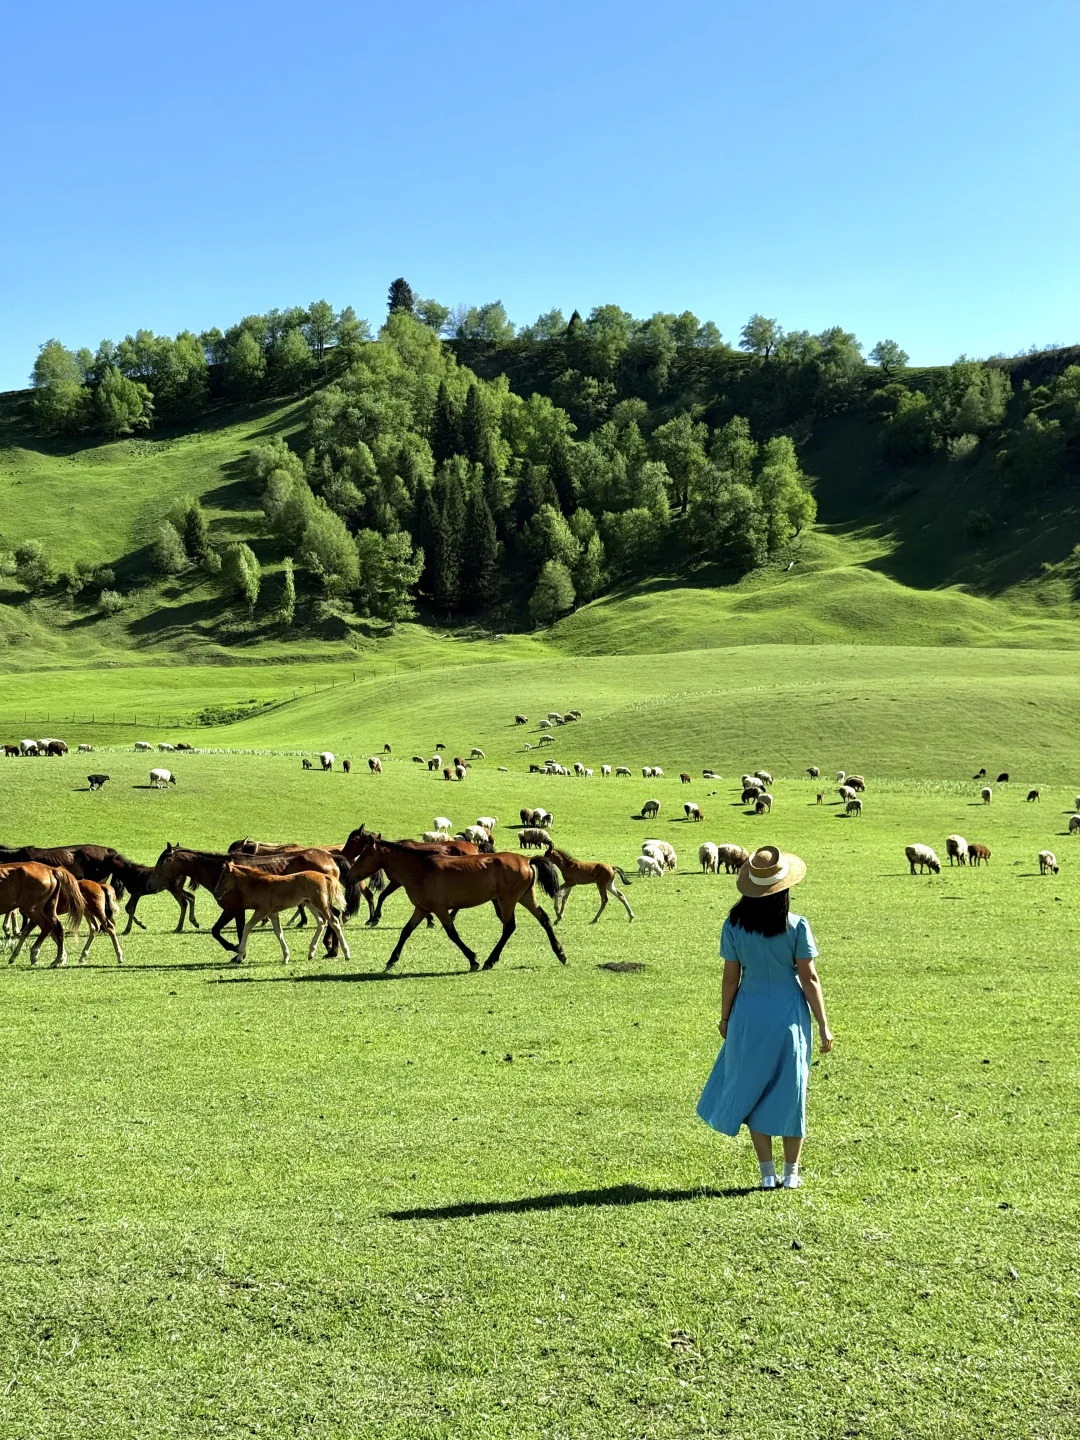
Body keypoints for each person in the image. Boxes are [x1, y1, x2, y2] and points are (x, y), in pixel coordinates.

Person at [697, 844, 834, 1189]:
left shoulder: (734, 926)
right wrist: (824, 1026)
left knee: (755, 1089)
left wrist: (726, 1018)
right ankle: (792, 1174)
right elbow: (809, 978)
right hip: (789, 1017)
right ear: (784, 889)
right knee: (790, 1091)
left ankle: (766, 1174)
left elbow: (731, 978)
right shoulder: (797, 926)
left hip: (748, 1015)